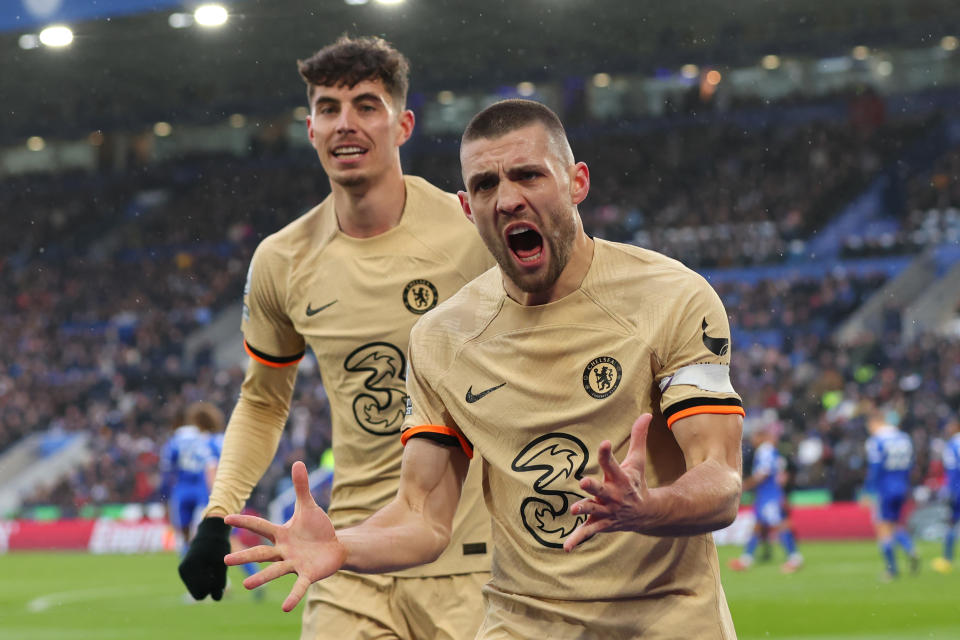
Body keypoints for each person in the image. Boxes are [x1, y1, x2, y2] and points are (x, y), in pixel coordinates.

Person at [225, 99, 745, 639]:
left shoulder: (672, 297)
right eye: (485, 185)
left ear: (577, 182)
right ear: (466, 208)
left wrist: (649, 507)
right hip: (521, 622)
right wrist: (342, 545)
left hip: (667, 618)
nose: (508, 200)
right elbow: (422, 517)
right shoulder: (441, 338)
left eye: (528, 176)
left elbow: (720, 476)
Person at [178, 36, 495, 639]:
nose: (345, 124)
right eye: (329, 108)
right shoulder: (283, 259)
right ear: (310, 129)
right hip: (346, 556)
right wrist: (218, 515)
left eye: (366, 106)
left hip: (470, 560)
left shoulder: (470, 229)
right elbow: (264, 400)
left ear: (403, 124)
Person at [728, 419, 802, 573]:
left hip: (769, 495)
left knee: (779, 524)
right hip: (767, 494)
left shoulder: (765, 449)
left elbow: (763, 472)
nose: (753, 440)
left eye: (755, 437)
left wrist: (745, 485)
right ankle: (746, 559)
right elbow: (782, 473)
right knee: (759, 526)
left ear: (761, 436)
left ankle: (794, 558)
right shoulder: (772, 450)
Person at [862, 405, 919, 581]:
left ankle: (892, 570)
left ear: (875, 422)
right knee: (893, 523)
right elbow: (911, 463)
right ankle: (909, 548)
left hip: (884, 487)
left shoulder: (876, 440)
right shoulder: (904, 437)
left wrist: (868, 489)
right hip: (902, 485)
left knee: (883, 527)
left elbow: (876, 467)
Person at [161, 402, 223, 546]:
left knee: (185, 534)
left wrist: (165, 495)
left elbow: (167, 466)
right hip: (205, 488)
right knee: (210, 534)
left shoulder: (178, 437)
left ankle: (189, 564)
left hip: (183, 487)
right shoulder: (215, 440)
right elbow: (214, 464)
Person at [932, 417, 960, 574]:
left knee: (951, 523)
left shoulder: (952, 446)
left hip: (957, 489)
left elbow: (952, 470)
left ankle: (947, 560)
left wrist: (948, 490)